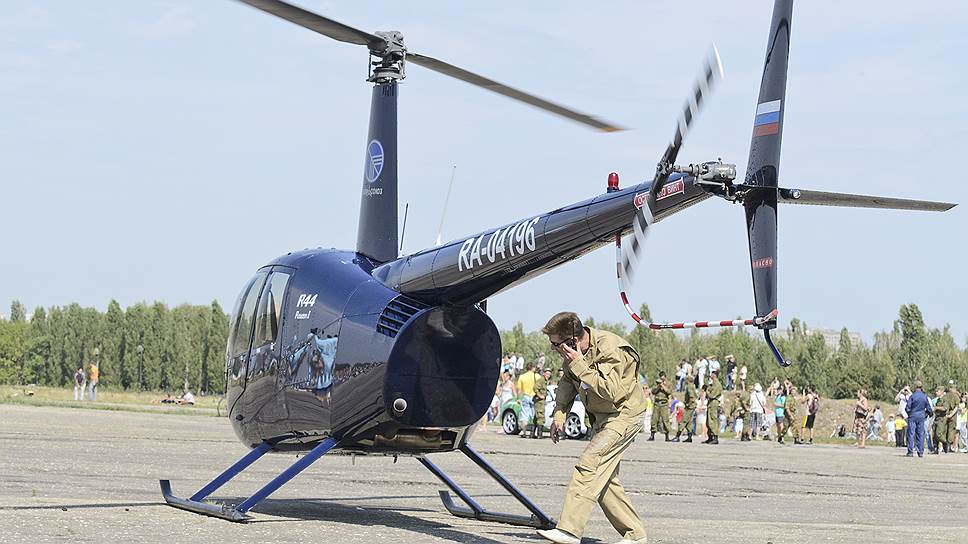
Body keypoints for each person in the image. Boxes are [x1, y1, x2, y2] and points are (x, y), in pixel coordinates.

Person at [538, 311, 648, 544]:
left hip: (623, 414)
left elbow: (613, 391)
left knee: (589, 464)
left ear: (572, 341)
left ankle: (569, 530)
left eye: (555, 345)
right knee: (604, 479)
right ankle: (635, 535)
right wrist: (560, 415)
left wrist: (579, 363)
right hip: (602, 418)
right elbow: (568, 382)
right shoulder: (573, 354)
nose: (554, 349)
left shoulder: (612, 349)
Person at [905, 381, 931, 457]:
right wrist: (926, 414)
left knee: (911, 433)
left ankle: (910, 452)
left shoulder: (912, 396)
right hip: (921, 416)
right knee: (920, 434)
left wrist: (910, 414)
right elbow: (929, 409)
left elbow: (907, 408)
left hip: (913, 416)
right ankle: (920, 452)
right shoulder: (924, 396)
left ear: (915, 387)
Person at [674, 371, 698, 442]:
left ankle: (677, 436)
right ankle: (689, 437)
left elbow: (691, 396)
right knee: (689, 422)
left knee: (683, 420)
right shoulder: (693, 386)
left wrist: (688, 403)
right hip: (692, 406)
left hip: (689, 407)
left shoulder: (689, 387)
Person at [517, 362, 539, 437]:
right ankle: (534, 432)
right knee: (534, 415)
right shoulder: (537, 376)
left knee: (524, 415)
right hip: (534, 397)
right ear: (533, 368)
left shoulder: (522, 377)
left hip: (525, 396)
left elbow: (519, 390)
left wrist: (518, 398)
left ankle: (524, 432)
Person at [649, 372, 672, 441]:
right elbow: (653, 391)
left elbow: (669, 392)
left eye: (663, 378)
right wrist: (658, 387)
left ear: (665, 377)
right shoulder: (657, 384)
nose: (661, 379)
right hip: (657, 404)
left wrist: (663, 386)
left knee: (665, 420)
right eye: (660, 377)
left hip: (664, 404)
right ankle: (652, 435)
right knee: (654, 419)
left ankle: (667, 436)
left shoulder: (668, 384)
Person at [703, 369, 723, 444]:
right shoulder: (712, 384)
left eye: (712, 374)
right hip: (710, 403)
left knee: (713, 420)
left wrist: (707, 391)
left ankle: (715, 437)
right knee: (708, 421)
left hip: (714, 403)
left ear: (714, 375)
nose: (710, 375)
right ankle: (710, 437)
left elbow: (712, 395)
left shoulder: (717, 384)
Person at [940, 382, 960, 453]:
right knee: (951, 430)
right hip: (952, 416)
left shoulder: (945, 396)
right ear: (953, 388)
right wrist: (951, 415)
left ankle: (944, 445)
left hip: (944, 415)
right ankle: (948, 446)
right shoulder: (956, 396)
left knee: (944, 430)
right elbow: (956, 407)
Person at [532, 367, 552, 439]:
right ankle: (539, 434)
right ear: (544, 374)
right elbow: (535, 388)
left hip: (541, 401)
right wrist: (540, 396)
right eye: (547, 374)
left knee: (536, 417)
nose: (548, 375)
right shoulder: (541, 380)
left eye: (549, 374)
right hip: (539, 401)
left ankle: (533, 433)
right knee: (541, 416)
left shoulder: (546, 381)